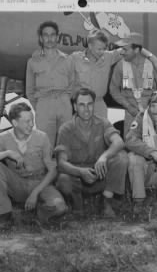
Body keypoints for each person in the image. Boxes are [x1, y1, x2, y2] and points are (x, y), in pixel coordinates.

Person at [0, 102, 68, 224]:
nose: (32, 124)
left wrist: (35, 193)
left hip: (40, 183)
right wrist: (6, 153)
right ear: (14, 123)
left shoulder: (42, 137)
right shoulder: (3, 139)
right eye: (27, 121)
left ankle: (38, 212)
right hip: (17, 185)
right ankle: (3, 215)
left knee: (60, 207)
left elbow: (52, 170)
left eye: (32, 120)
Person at [55, 88, 129, 218]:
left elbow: (119, 142)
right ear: (75, 107)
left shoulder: (103, 123)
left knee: (121, 158)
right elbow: (61, 163)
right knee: (63, 180)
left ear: (94, 105)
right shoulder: (66, 129)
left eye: (89, 104)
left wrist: (104, 157)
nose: (86, 109)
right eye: (82, 105)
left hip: (99, 174)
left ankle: (106, 202)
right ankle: (77, 205)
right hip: (78, 178)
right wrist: (80, 172)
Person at [69, 30, 155, 118]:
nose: (102, 52)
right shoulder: (74, 59)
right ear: (90, 46)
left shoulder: (108, 57)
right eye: (99, 49)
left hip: (99, 106)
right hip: (81, 105)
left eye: (104, 49)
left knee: (102, 130)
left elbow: (130, 47)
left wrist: (152, 57)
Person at [110, 32, 157, 137]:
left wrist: (154, 107)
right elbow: (113, 89)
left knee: (152, 145)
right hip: (131, 113)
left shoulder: (153, 65)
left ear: (136, 50)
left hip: (152, 113)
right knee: (131, 145)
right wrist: (128, 106)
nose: (122, 52)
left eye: (125, 49)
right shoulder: (120, 66)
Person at [26, 21, 73, 147]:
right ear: (41, 38)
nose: (49, 38)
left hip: (64, 104)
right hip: (44, 104)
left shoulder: (68, 60)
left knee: (66, 145)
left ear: (57, 37)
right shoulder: (32, 62)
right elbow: (29, 90)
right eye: (46, 35)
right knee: (44, 146)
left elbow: (73, 84)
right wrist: (40, 107)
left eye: (52, 35)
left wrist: (66, 101)